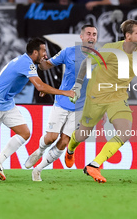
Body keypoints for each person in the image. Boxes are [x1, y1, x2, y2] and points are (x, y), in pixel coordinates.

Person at [65, 19, 137, 183]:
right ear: (128, 36)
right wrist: (77, 86)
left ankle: (94, 165)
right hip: (97, 95)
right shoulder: (110, 50)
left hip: (118, 96)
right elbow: (86, 62)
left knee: (125, 132)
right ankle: (71, 148)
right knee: (83, 134)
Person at [0, 37, 75, 183]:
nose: (46, 55)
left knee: (24, 133)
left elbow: (29, 81)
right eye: (43, 51)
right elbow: (40, 85)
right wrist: (65, 92)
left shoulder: (26, 63)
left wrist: (42, 88)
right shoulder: (25, 63)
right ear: (35, 52)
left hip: (7, 104)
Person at [24, 25, 98, 181]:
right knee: (51, 137)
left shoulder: (101, 58)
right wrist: (39, 60)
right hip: (62, 102)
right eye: (89, 34)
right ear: (82, 37)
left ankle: (38, 169)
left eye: (94, 35)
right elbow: (46, 66)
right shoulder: (68, 52)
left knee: (64, 141)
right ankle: (39, 151)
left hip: (81, 107)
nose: (92, 37)